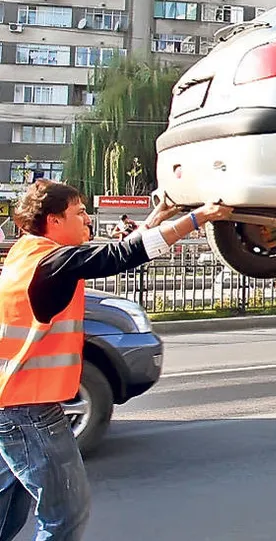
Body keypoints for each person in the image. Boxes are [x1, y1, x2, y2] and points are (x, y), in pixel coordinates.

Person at [0, 180, 232, 540]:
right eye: (79, 214)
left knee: (8, 511)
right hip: (29, 410)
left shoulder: (27, 254)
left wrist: (158, 216)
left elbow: (119, 250)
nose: (88, 220)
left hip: (11, 405)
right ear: (54, 221)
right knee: (65, 516)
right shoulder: (54, 263)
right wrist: (198, 217)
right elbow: (122, 256)